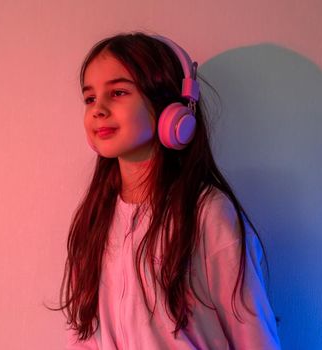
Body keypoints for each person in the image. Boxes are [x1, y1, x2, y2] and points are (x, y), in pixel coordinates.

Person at [56, 32, 281, 349]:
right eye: (90, 98)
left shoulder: (207, 212)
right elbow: (83, 335)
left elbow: (252, 335)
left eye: (118, 92)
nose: (98, 109)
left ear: (174, 111)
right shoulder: (95, 219)